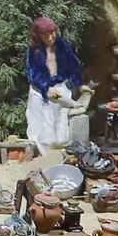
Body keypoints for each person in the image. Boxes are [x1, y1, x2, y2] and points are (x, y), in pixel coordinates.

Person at [25, 17, 86, 153]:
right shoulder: (34, 51)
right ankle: (45, 158)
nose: (51, 37)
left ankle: (60, 156)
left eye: (52, 33)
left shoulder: (62, 45)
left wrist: (79, 84)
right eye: (46, 35)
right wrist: (46, 88)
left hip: (60, 91)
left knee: (60, 128)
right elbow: (34, 74)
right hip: (40, 94)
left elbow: (73, 65)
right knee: (43, 131)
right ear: (39, 36)